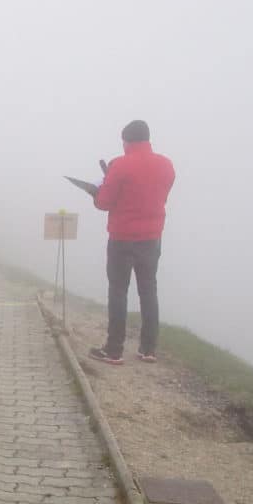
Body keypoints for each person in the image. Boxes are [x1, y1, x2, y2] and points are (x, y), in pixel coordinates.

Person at [88, 120, 176, 366]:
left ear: (128, 140)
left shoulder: (120, 165)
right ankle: (148, 349)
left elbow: (104, 202)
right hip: (152, 237)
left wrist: (95, 194)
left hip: (122, 237)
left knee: (118, 291)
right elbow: (162, 193)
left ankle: (114, 350)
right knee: (148, 291)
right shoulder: (167, 165)